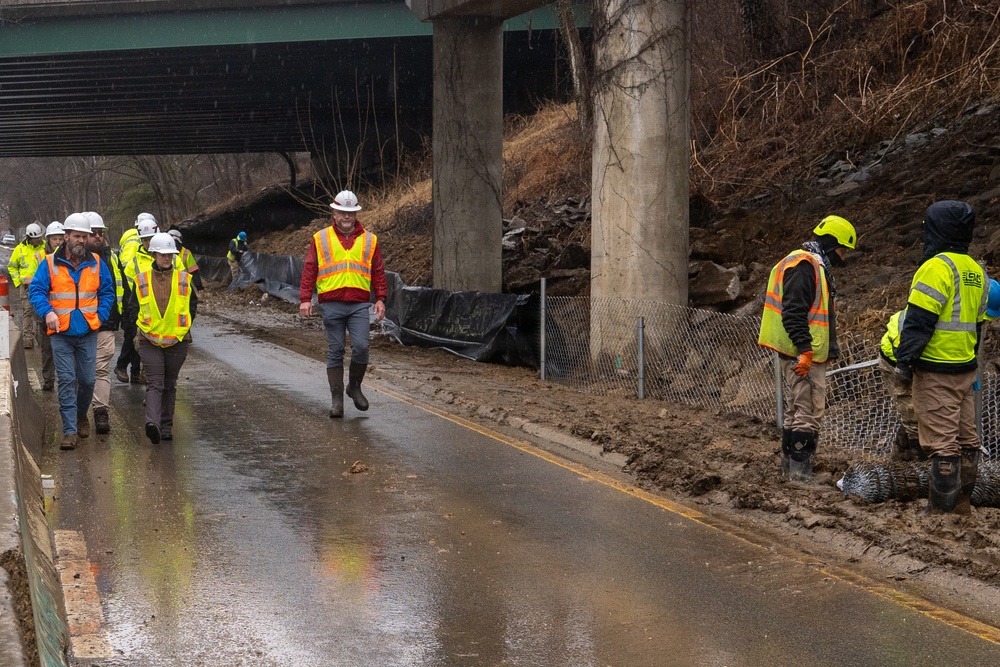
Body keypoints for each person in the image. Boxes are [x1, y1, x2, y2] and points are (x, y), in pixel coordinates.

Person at [894, 200, 989, 515]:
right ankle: (963, 503)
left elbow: (918, 321)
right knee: (968, 441)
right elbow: (977, 324)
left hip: (936, 369)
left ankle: (941, 512)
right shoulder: (976, 270)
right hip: (965, 368)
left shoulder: (935, 267)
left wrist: (904, 364)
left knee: (942, 445)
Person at [758, 215, 857, 481]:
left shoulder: (803, 262)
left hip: (798, 351)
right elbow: (793, 313)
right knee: (809, 411)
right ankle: (801, 475)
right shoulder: (805, 266)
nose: (843, 258)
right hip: (803, 353)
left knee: (796, 409)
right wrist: (806, 350)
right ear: (830, 243)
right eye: (842, 250)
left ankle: (790, 469)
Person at [28, 213, 113, 451]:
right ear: (66, 237)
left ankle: (80, 414)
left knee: (87, 381)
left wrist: (100, 315)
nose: (81, 241)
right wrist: (48, 313)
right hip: (60, 332)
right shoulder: (49, 263)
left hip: (88, 330)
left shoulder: (96, 262)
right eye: (76, 236)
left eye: (84, 236)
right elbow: (36, 291)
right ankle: (69, 431)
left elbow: (107, 291)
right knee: (66, 380)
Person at [299, 190, 387, 418]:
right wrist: (305, 299)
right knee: (336, 351)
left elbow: (377, 271)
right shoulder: (320, 238)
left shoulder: (370, 239)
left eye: (350, 213)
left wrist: (380, 298)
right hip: (331, 304)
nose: (346, 217)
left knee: (362, 347)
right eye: (342, 212)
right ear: (334, 213)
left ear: (356, 214)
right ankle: (337, 400)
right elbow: (310, 268)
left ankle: (354, 386)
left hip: (358, 304)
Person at [123, 232, 196, 444]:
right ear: (154, 254)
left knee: (170, 383)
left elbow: (192, 307)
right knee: (155, 382)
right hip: (149, 339)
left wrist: (184, 328)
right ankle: (152, 423)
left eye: (170, 254)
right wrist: (139, 327)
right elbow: (132, 306)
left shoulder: (184, 279)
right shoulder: (142, 279)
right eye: (163, 254)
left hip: (177, 340)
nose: (167, 258)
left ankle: (165, 426)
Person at [84, 212, 125, 435]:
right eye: (93, 233)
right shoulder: (70, 260)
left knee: (100, 370)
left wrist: (125, 318)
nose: (98, 237)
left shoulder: (112, 258)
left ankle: (101, 412)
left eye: (101, 233)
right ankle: (78, 414)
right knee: (79, 373)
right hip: (77, 326)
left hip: (105, 324)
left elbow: (122, 289)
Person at [115, 217, 160, 385]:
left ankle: (136, 373)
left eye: (151, 239)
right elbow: (127, 288)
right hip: (139, 308)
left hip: (160, 309)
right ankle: (126, 367)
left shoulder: (166, 257)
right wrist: (128, 311)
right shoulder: (134, 262)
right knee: (135, 339)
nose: (149, 243)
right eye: (146, 240)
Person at [6, 222, 46, 349]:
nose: (38, 240)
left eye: (39, 237)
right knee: (27, 312)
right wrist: (18, 282)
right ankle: (28, 338)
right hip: (26, 286)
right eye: (36, 238)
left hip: (42, 285)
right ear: (29, 238)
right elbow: (12, 267)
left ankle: (41, 338)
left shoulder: (45, 247)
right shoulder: (20, 249)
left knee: (41, 313)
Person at [35, 222, 65, 391]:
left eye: (61, 238)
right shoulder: (40, 257)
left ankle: (64, 380)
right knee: (47, 349)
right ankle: (48, 379)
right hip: (45, 311)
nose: (58, 242)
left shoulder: (67, 257)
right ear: (48, 240)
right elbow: (35, 284)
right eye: (55, 239)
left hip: (64, 312)